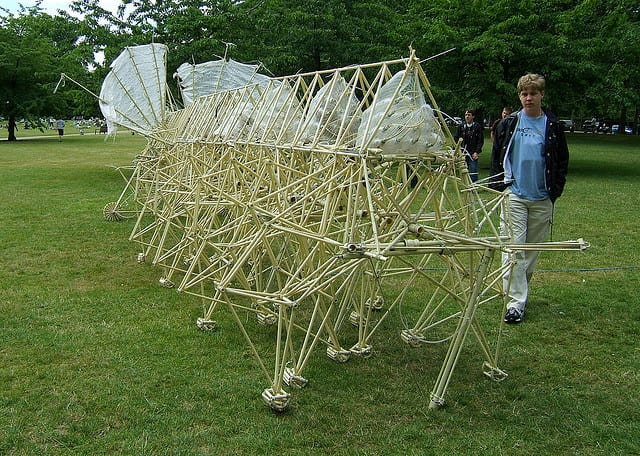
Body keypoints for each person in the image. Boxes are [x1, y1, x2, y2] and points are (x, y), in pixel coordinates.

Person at [489, 73, 569, 324]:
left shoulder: (552, 126)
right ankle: (515, 303)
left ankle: (518, 290)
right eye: (524, 94)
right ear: (519, 96)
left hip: (542, 197)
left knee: (531, 251)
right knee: (513, 248)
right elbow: (497, 157)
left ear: (541, 95)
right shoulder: (510, 123)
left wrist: (555, 189)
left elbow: (562, 160)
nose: (528, 98)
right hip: (514, 195)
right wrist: (499, 187)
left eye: (533, 93)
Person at [454, 109, 484, 182]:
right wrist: (458, 150)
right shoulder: (461, 127)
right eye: (466, 115)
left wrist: (476, 152)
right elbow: (456, 138)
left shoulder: (477, 127)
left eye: (469, 115)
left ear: (473, 116)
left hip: (473, 152)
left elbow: (480, 141)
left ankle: (474, 186)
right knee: (463, 170)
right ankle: (465, 185)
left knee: (473, 170)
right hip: (463, 152)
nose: (467, 116)